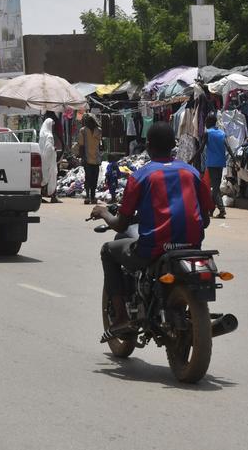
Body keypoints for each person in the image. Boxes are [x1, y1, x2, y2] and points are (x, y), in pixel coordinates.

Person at [90, 122, 214, 341]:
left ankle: (120, 317)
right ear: (173, 146)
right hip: (193, 248)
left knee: (108, 251)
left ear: (147, 146)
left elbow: (120, 224)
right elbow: (205, 219)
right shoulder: (192, 172)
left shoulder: (140, 176)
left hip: (154, 249)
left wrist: (103, 213)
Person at [194, 113, 230, 218]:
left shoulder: (207, 133)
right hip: (220, 163)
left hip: (212, 163)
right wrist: (234, 161)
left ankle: (222, 209)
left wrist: (192, 159)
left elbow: (201, 149)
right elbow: (228, 147)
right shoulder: (222, 133)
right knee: (215, 187)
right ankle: (211, 210)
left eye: (205, 122)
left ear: (209, 123)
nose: (204, 123)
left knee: (215, 188)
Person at [73, 113, 103, 204]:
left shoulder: (93, 130)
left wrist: (82, 157)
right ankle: (89, 197)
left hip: (93, 158)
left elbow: (82, 146)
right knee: (91, 178)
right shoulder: (86, 131)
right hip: (90, 158)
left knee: (91, 178)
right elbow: (82, 146)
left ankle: (90, 197)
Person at [39, 116, 59, 203]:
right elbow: (48, 148)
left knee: (43, 176)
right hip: (48, 159)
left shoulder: (42, 134)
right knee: (51, 176)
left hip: (42, 157)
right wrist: (54, 149)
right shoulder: (49, 136)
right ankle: (53, 196)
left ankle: (40, 196)